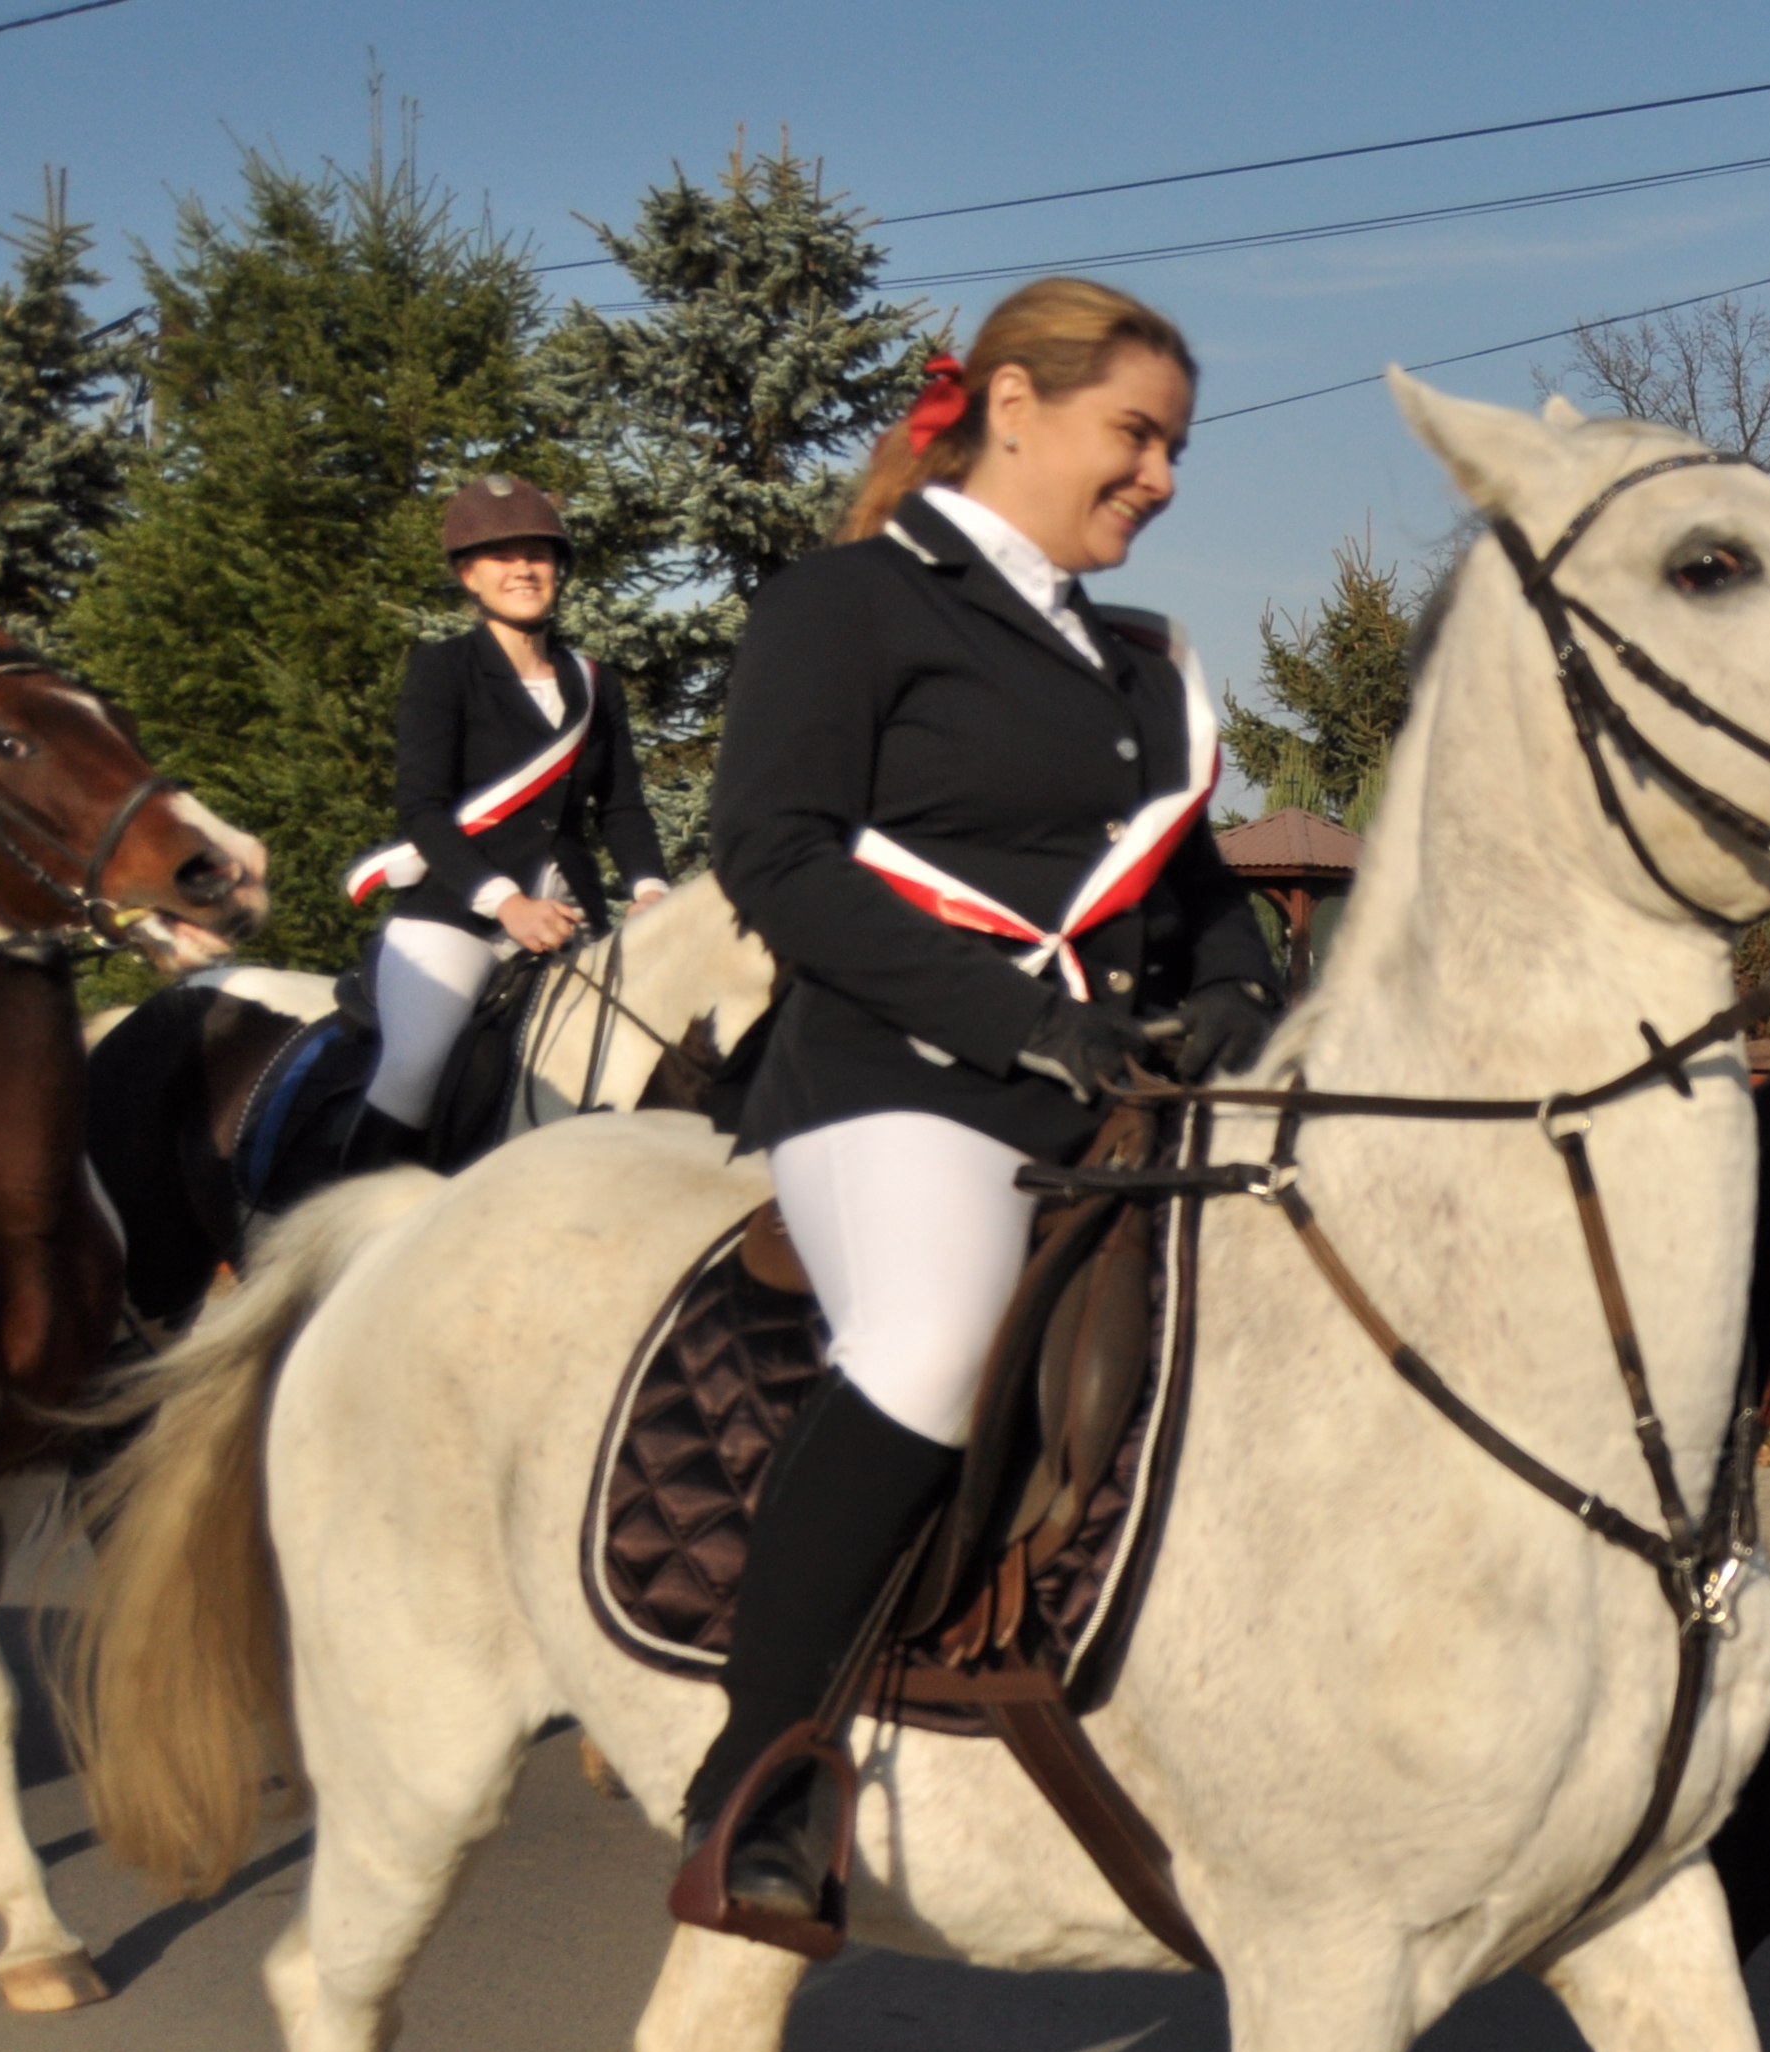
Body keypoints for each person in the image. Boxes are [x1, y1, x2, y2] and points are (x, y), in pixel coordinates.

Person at [679, 278, 1284, 1919]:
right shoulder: (849, 600)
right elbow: (777, 855)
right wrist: (1015, 1022)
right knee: (933, 1335)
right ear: (1011, 404)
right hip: (893, 1075)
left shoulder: (1146, 664)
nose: (1160, 475)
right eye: (1134, 434)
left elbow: (1196, 884)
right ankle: (760, 1770)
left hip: (1114, 1092)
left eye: (1173, 446)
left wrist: (1233, 986)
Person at [346, 474, 670, 1168]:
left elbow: (622, 806)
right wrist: (507, 904)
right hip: (457, 917)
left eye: (538, 554)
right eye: (501, 556)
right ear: (469, 576)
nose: (523, 568)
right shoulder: (443, 670)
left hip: (570, 923)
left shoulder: (594, 682)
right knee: (415, 1068)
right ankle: (348, 1237)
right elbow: (423, 810)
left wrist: (650, 892)